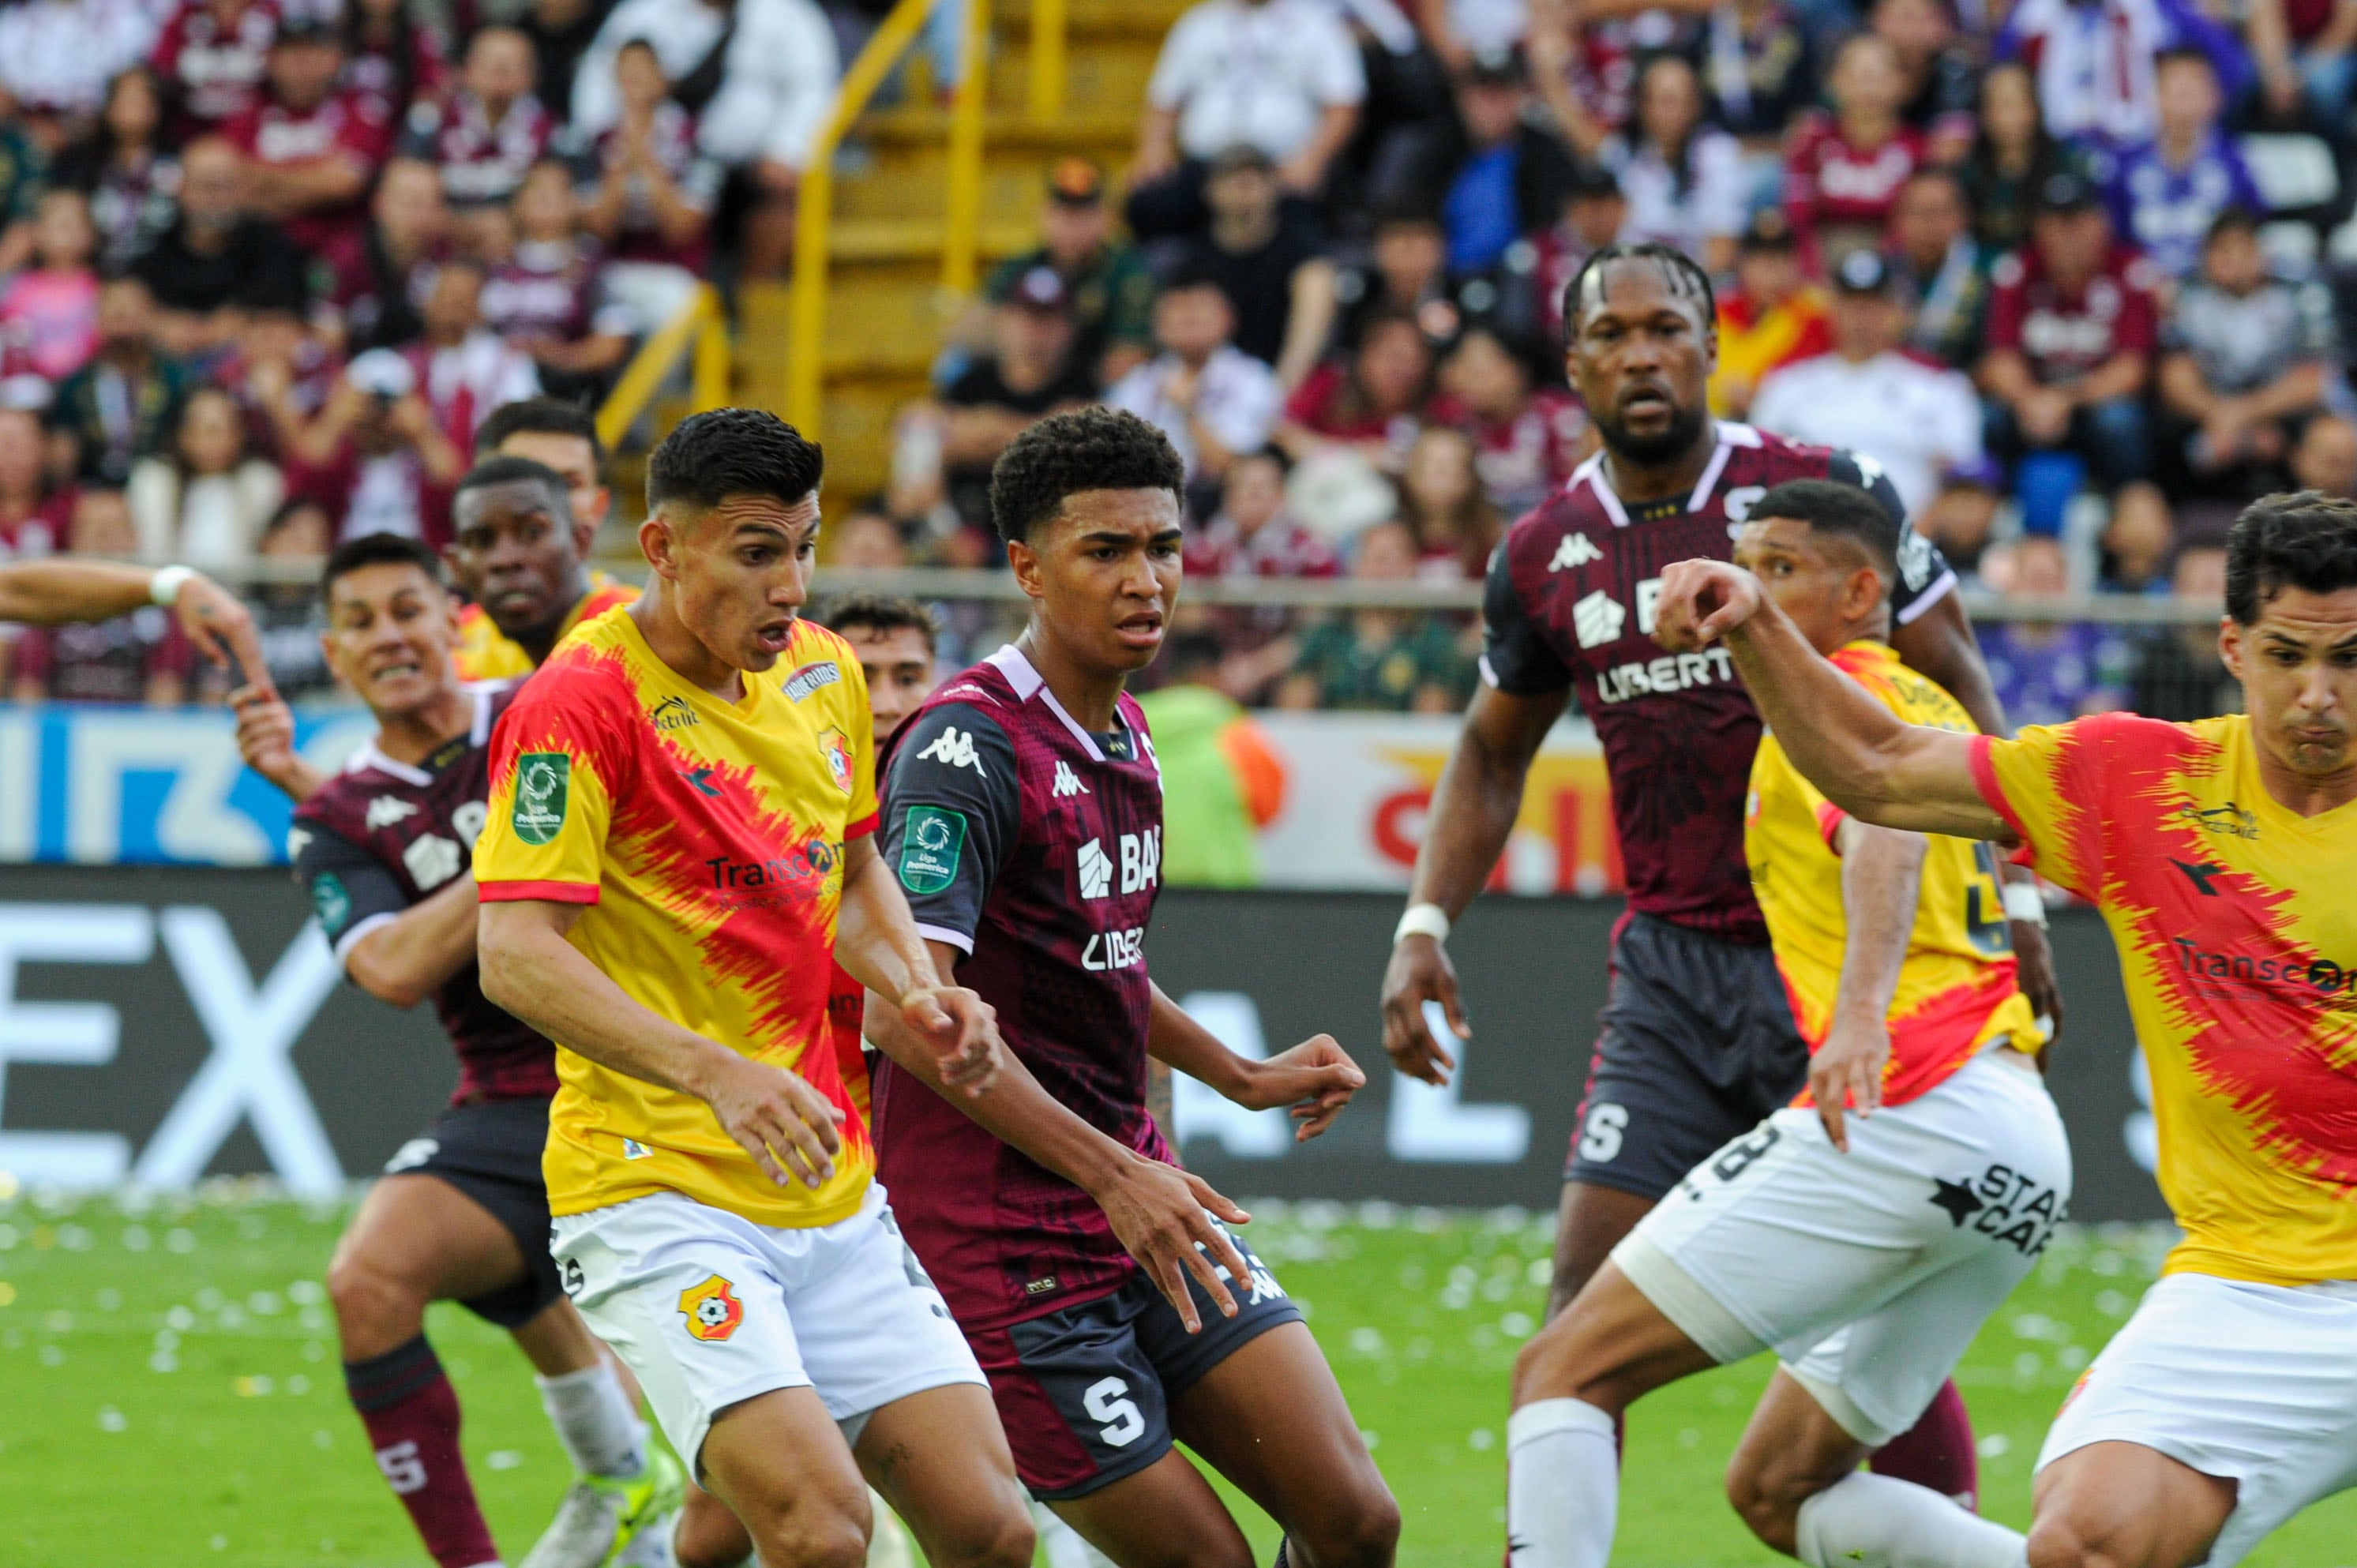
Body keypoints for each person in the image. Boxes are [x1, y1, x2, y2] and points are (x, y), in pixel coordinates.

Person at [1379, 242, 2062, 1514]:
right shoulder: (1543, 548)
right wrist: (1425, 920)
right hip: (1674, 972)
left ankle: (1939, 1538)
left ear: (1710, 344)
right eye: (1612, 335)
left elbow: (1958, 686)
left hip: (1846, 958)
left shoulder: (1816, 498)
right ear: (1573, 362)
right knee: (1580, 1311)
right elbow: (1489, 752)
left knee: (1872, 1297)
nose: (1643, 354)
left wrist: (2020, 894)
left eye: (1669, 328)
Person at [1650, 490, 2357, 1568]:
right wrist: (1754, 618)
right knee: (2081, 1540)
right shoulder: (2140, 782)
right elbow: (1878, 766)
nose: (2319, 695)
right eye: (2286, 655)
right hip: (2245, 1284)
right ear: (2230, 646)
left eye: (2351, 660)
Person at [472, 407, 1037, 1568]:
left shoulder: (821, 671)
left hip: (826, 1191)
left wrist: (920, 988)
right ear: (663, 547)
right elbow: (514, 952)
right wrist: (714, 1069)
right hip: (655, 1192)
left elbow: (859, 869)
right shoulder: (578, 706)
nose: (791, 584)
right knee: (820, 1532)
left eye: (806, 545)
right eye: (754, 550)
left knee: (990, 1529)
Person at [1504, 477, 2070, 1568]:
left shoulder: (1845, 701)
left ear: (1861, 592)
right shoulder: (1928, 702)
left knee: (1559, 1369)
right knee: (1776, 1488)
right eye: (1742, 561)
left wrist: (1858, 1017)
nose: (1745, 590)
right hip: (2018, 1140)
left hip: (1909, 1099)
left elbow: (1884, 835)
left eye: (1778, 571)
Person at [868, 404, 1398, 1566]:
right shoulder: (965, 751)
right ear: (1027, 567)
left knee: (1357, 1518)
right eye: (1104, 551)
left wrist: (1239, 1074)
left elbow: (1094, 963)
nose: (1145, 578)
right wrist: (1117, 1172)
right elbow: (909, 1014)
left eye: (1160, 547)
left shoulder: (1131, 731)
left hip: (1132, 1200)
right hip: (1001, 1240)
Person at [279, 517, 684, 1568]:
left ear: (452, 621)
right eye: (359, 621)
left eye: (408, 608)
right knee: (366, 1279)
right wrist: (524, 849)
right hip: (512, 1098)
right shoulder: (338, 812)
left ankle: (646, 1488)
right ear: (334, 653)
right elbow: (391, 967)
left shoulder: (542, 708)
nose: (389, 636)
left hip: (654, 1066)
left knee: (714, 1401)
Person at [1750, 248, 1985, 517]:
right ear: (1832, 309)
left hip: (1913, 539)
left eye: (1874, 306)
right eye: (1852, 305)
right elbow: (1758, 471)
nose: (1862, 318)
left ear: (1898, 311)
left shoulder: (1941, 386)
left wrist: (1915, 541)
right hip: (1809, 541)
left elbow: (1963, 483)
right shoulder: (1787, 384)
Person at [1980, 171, 2160, 522]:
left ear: (2101, 223)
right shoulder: (2015, 270)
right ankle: (1994, 513)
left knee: (2120, 422)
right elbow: (2000, 359)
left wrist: (2064, 400)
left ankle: (2125, 512)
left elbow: (2132, 369)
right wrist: (2030, 398)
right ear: (2039, 227)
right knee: (1990, 417)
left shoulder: (2131, 272)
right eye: (2057, 223)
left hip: (2090, 404)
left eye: (2078, 221)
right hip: (2032, 405)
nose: (2067, 235)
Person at [1128, 0, 1366, 238]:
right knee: (1149, 204)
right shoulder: (1199, 24)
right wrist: (1154, 151)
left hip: (1283, 167)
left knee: (1310, 210)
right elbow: (1164, 101)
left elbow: (1344, 106)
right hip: (1207, 168)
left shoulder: (1317, 25)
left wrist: (1312, 160)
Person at [2157, 209, 2335, 499]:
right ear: (2205, 257)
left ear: (2262, 252)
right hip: (2208, 412)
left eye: (2244, 249)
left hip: (2279, 409)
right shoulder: (2185, 294)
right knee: (2161, 428)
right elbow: (2175, 380)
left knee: (2325, 434)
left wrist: (2242, 417)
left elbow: (2313, 380)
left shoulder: (2300, 289)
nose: (2234, 261)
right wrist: (2226, 420)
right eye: (2223, 250)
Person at [975, 159, 1158, 389]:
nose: (1072, 226)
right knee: (955, 363)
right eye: (1063, 214)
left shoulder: (1127, 273)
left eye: (1084, 216)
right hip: (1026, 381)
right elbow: (974, 331)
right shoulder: (1020, 265)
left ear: (1106, 218)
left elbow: (1130, 356)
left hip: (1092, 392)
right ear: (1044, 215)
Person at [1173, 144, 1338, 392]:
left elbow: (1309, 339)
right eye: (1233, 178)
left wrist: (1273, 399)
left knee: (1317, 280)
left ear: (1275, 186)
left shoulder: (1303, 251)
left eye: (1257, 177)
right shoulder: (1195, 260)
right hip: (1216, 390)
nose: (1245, 186)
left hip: (1284, 387)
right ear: (1210, 190)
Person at [1104, 266, 1283, 492]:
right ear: (1158, 324)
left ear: (1228, 317)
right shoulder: (1140, 381)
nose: (1188, 316)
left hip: (1218, 507)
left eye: (1199, 306)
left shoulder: (1254, 379)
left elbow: (1234, 467)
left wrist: (1188, 412)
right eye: (1177, 307)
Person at [227, 18, 394, 255]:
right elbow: (233, 183)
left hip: (339, 250)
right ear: (271, 60)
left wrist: (265, 182)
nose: (302, 62)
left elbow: (344, 185)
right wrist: (317, 178)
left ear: (336, 59)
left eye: (314, 51)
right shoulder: (247, 112)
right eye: (292, 52)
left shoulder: (361, 110)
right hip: (257, 250)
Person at [2100, 48, 2265, 283]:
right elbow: (2114, 239)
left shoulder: (2236, 162)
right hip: (2143, 287)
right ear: (2153, 96)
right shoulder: (2123, 165)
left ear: (2216, 96)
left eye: (2195, 85)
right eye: (2175, 85)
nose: (2185, 94)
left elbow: (2250, 228)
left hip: (2217, 288)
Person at [1278, 517, 1477, 709]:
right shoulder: (1326, 635)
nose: (1385, 571)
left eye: (1395, 560)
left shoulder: (1434, 641)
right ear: (1355, 566)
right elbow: (1294, 711)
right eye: (1377, 559)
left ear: (1412, 567)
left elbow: (1431, 722)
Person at [1782, 32, 1929, 272]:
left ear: (1903, 83)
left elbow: (1915, 230)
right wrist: (1814, 278)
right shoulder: (1811, 143)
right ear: (1834, 81)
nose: (1868, 86)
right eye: (1858, 75)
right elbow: (1799, 221)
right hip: (1821, 265)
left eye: (1880, 75)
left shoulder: (1918, 149)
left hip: (1896, 269)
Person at [1598, 54, 1748, 280]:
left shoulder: (1719, 154)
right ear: (1642, 106)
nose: (1670, 112)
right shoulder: (1621, 155)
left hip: (1697, 288)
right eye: (1660, 101)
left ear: (1696, 105)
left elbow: (1722, 251)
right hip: (1629, 287)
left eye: (1679, 101)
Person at [1709, 210, 1832, 420]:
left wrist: (1760, 393)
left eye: (1782, 260)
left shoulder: (1815, 314)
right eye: (1762, 261)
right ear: (1742, 264)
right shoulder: (1719, 310)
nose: (1773, 273)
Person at [1889, 167, 1987, 373]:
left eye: (1941, 212)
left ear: (1964, 217)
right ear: (1898, 219)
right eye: (1919, 212)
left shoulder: (1992, 272)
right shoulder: (1881, 274)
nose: (1929, 225)